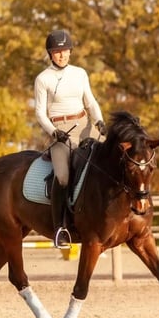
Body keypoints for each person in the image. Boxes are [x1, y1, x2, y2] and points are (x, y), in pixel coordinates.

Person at [34, 29, 106, 249]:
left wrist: (99, 121)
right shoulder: (43, 78)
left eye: (64, 51)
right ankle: (60, 228)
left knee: (110, 163)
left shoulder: (80, 73)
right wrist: (53, 131)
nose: (61, 55)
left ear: (70, 52)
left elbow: (91, 101)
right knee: (63, 177)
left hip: (85, 125)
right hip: (60, 130)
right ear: (50, 54)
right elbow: (39, 112)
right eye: (57, 52)